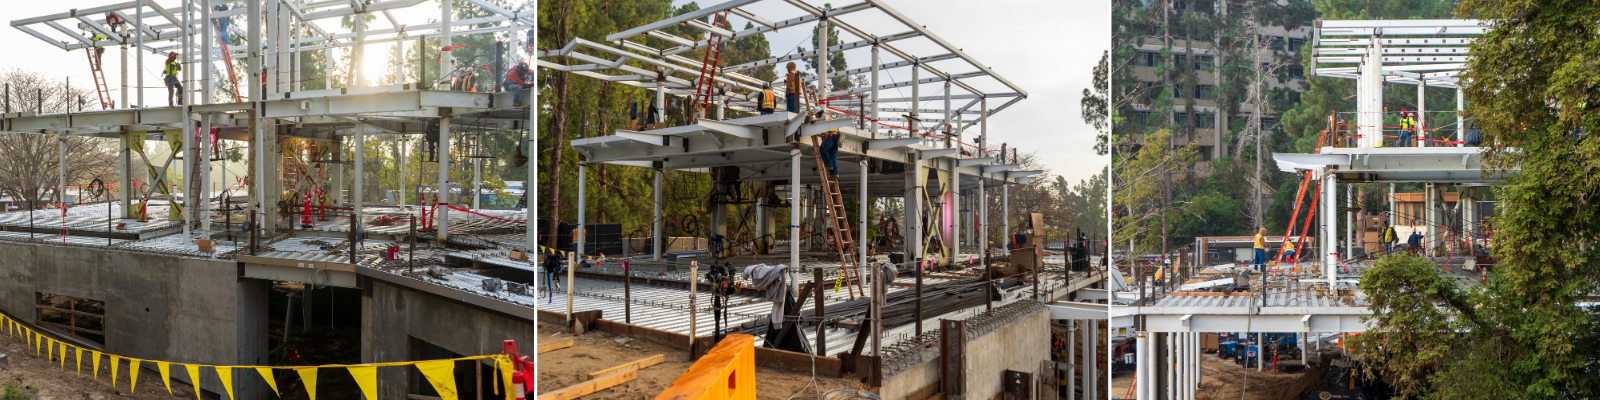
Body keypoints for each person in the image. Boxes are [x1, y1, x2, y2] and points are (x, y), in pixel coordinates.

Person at [817, 110, 840, 177]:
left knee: (822, 149)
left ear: (818, 113)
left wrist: (815, 121)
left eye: (816, 115)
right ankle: (834, 174)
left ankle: (828, 165)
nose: (816, 116)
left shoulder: (824, 115)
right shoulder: (828, 120)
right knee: (832, 156)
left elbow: (824, 118)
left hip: (832, 136)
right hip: (835, 137)